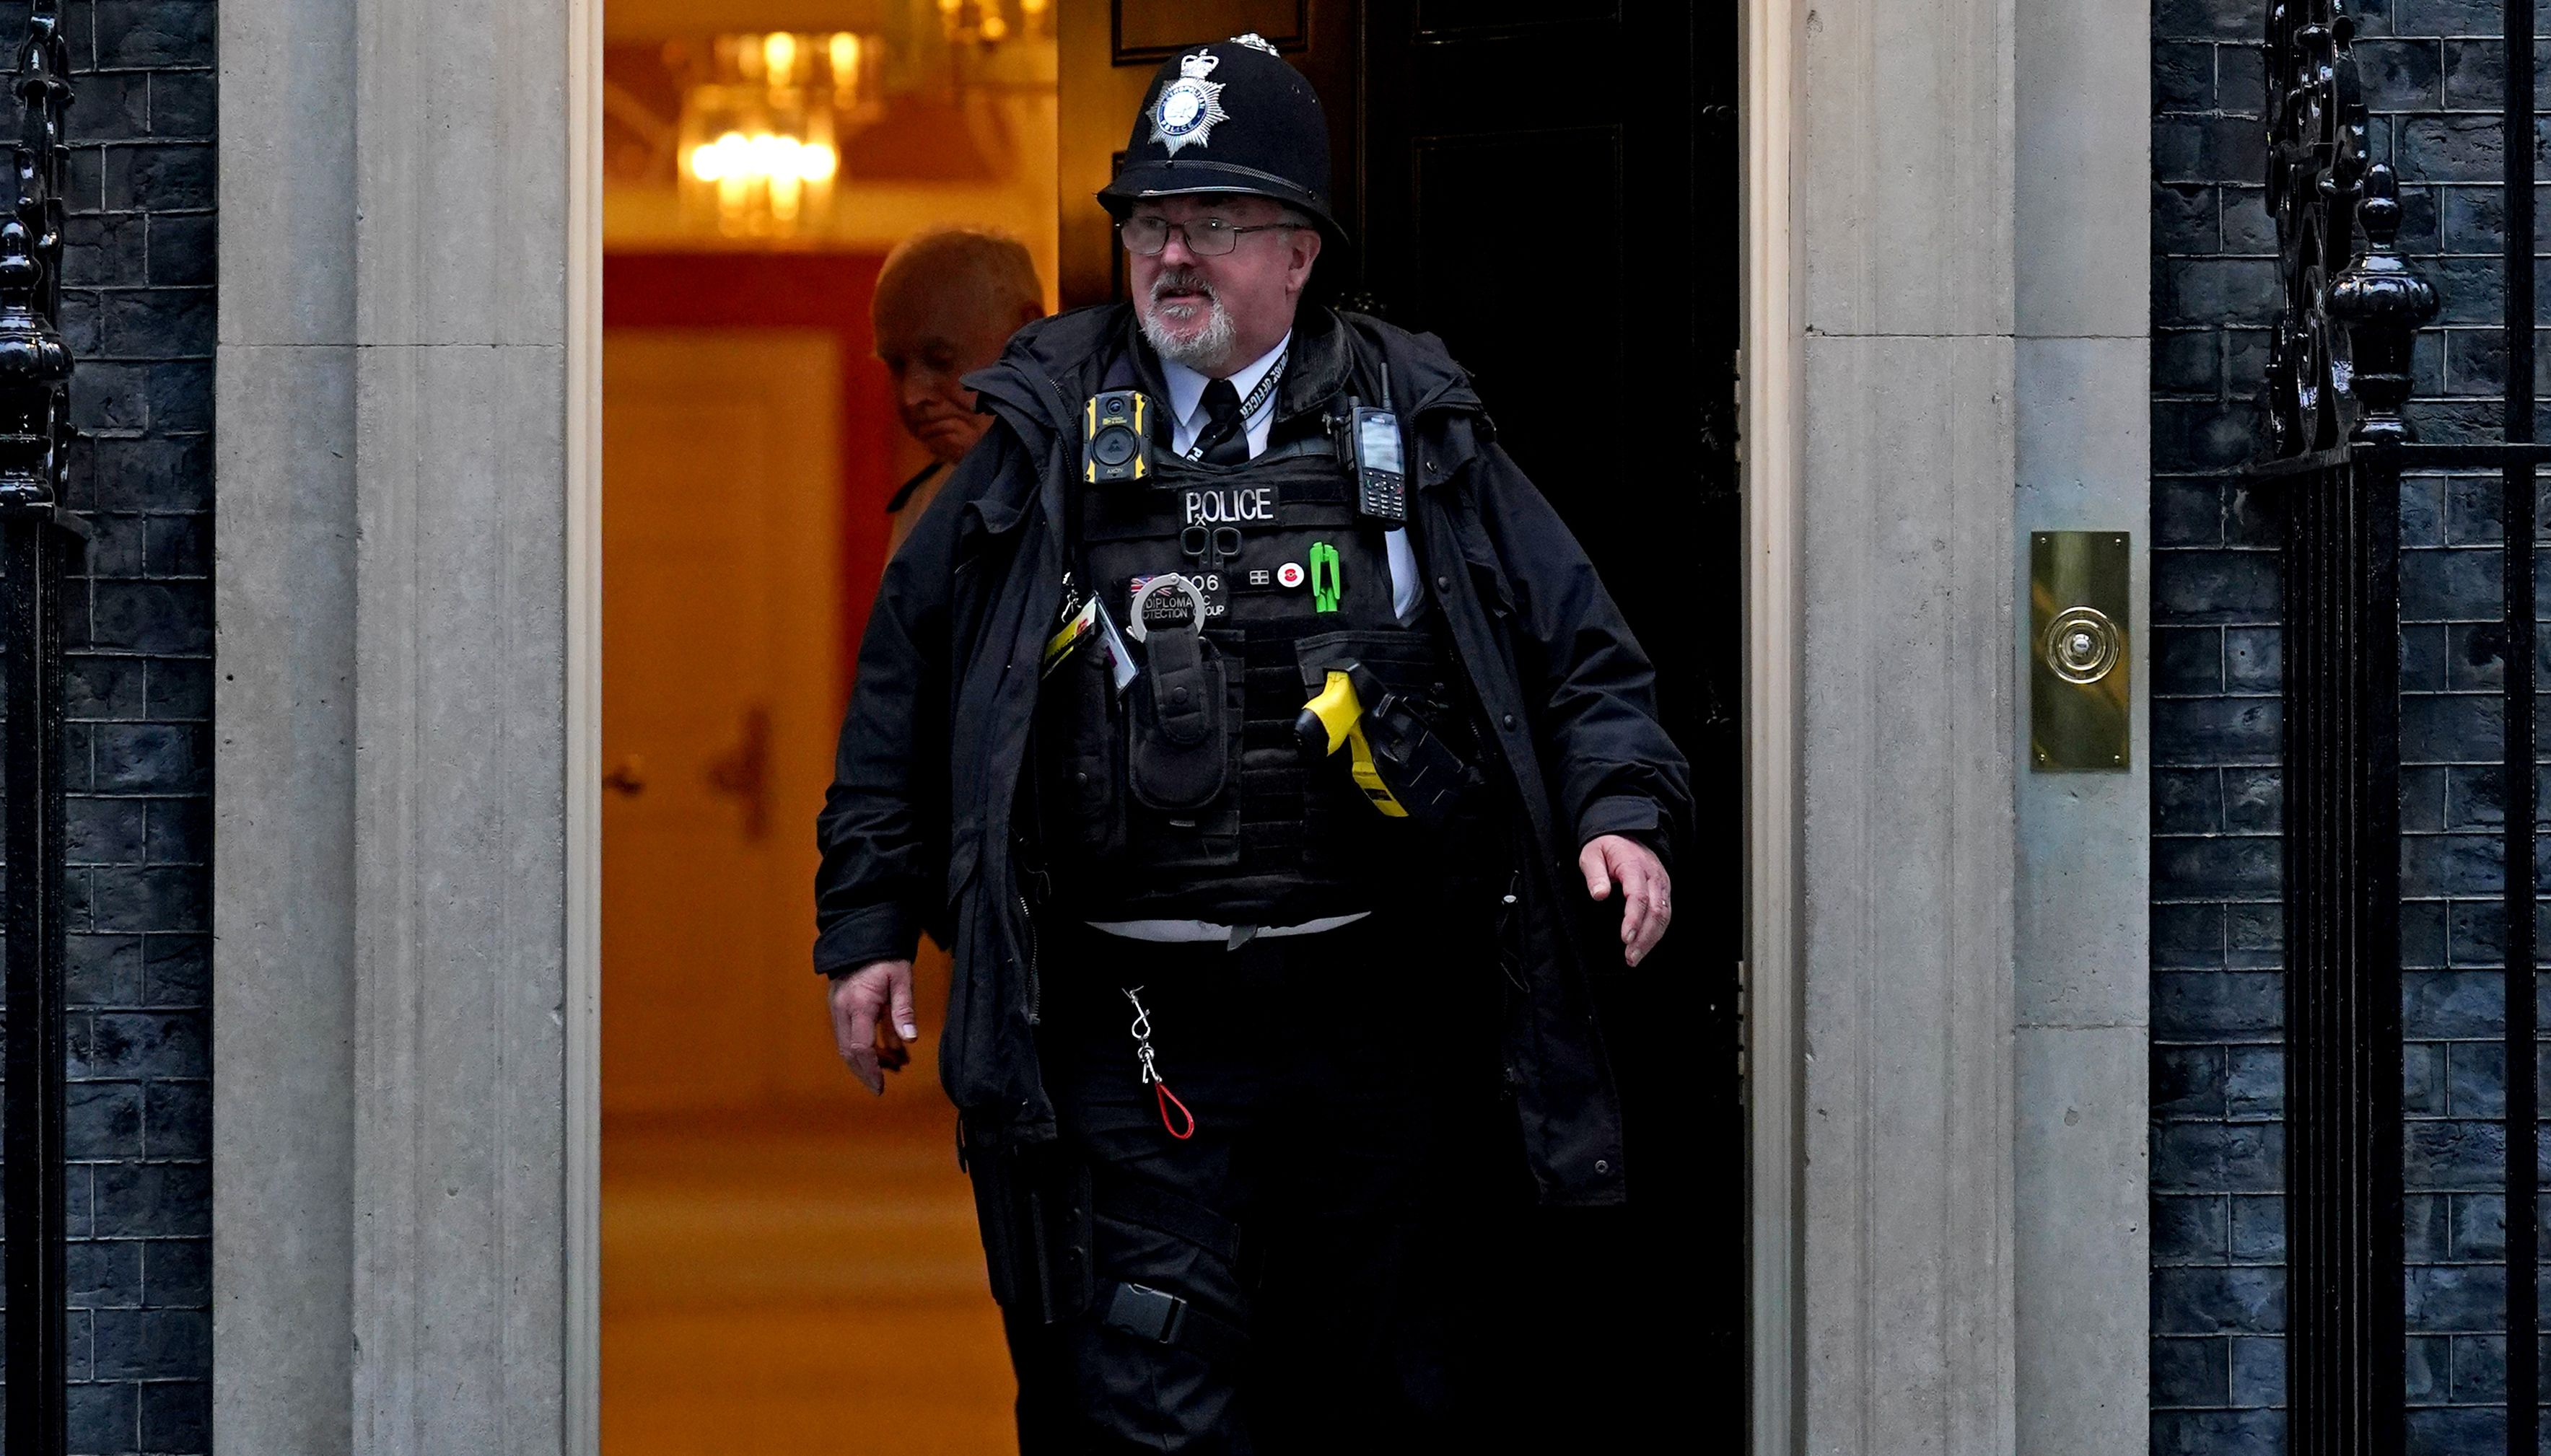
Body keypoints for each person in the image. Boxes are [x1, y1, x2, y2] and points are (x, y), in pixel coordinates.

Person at [814, 33, 1688, 1450]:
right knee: (1146, 1402)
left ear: (1297, 252)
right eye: (1156, 223)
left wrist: (1623, 812)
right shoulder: (1038, 433)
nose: (1176, 257)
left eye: (1216, 225)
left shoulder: (1413, 419)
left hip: (1367, 1021)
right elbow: (904, 687)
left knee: (1366, 1392)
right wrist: (864, 924)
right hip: (1127, 1026)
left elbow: (1580, 649)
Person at [870, 227, 1046, 556]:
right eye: (896, 366)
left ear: (1025, 334)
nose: (911, 396)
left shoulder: (1090, 484)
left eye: (940, 360)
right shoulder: (924, 505)